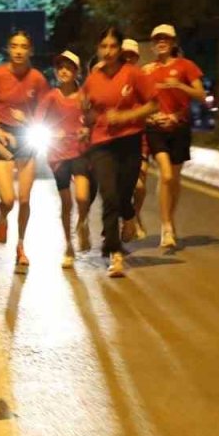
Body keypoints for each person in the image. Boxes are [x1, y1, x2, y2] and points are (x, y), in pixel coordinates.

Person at [82, 27, 159, 278]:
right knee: (109, 194)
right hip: (101, 143)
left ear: (120, 49)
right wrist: (87, 116)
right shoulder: (93, 78)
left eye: (112, 46)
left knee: (125, 192)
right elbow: (87, 111)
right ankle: (114, 251)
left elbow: (153, 104)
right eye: (103, 46)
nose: (108, 51)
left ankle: (129, 217)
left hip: (130, 141)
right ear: (98, 49)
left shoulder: (133, 74)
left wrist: (126, 115)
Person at [0, 31, 47, 274]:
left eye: (24, 46)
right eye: (15, 46)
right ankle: (1, 217)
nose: (19, 51)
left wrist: (29, 119)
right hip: (1, 137)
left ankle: (20, 246)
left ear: (30, 50)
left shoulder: (38, 79)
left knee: (25, 198)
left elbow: (45, 109)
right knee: (8, 199)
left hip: (27, 135)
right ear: (8, 49)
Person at [143, 24, 205, 249]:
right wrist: (150, 116)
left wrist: (179, 85)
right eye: (157, 39)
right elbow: (140, 100)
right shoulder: (147, 70)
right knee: (166, 175)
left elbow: (201, 95)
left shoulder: (185, 66)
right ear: (152, 44)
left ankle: (169, 220)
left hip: (179, 127)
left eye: (165, 39)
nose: (161, 42)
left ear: (172, 42)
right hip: (156, 128)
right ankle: (166, 226)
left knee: (175, 180)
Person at [35, 51, 93, 267]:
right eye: (60, 68)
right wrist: (51, 131)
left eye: (68, 67)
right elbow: (38, 121)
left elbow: (93, 118)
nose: (64, 71)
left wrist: (87, 129)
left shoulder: (84, 95)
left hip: (80, 151)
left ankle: (83, 223)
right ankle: (68, 246)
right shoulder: (51, 97)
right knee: (66, 203)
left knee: (82, 196)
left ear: (76, 71)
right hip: (58, 155)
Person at [121, 38, 152, 240]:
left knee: (139, 187)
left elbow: (153, 104)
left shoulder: (142, 80)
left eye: (132, 56)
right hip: (114, 142)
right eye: (125, 56)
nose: (128, 59)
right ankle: (122, 224)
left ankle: (134, 216)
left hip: (139, 140)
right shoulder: (111, 79)